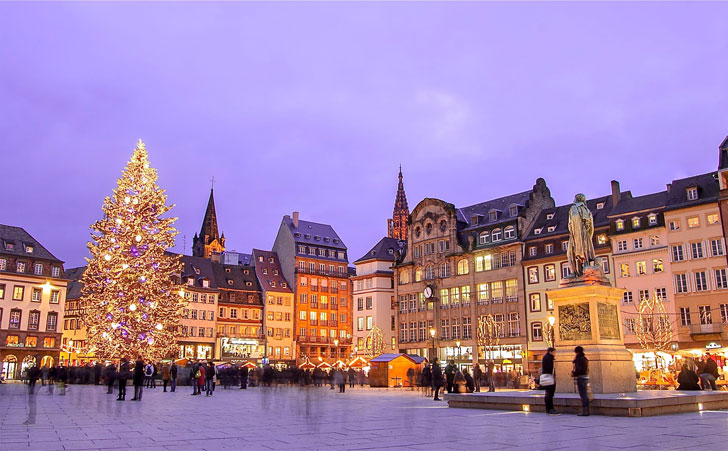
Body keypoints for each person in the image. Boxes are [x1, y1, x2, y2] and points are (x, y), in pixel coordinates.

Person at [572, 346, 589, 416]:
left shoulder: (579, 359)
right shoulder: (585, 358)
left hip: (581, 377)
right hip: (585, 377)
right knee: (585, 394)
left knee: (583, 394)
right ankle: (586, 410)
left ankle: (585, 411)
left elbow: (579, 369)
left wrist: (574, 373)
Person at [541, 347, 558, 415]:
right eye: (554, 352)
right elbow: (550, 368)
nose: (555, 353)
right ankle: (550, 409)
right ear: (551, 352)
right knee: (550, 394)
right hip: (549, 377)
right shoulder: (550, 358)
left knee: (548, 393)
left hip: (546, 377)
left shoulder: (545, 357)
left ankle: (548, 409)